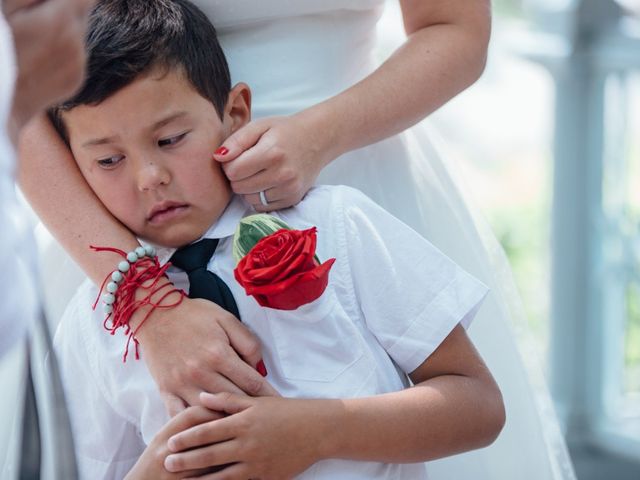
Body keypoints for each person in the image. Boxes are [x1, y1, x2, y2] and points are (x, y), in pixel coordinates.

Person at [19, 1, 576, 479]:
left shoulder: (347, 228)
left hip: (351, 159)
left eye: (168, 140)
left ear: (237, 112)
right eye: (112, 160)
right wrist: (144, 302)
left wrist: (319, 135)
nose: (148, 175)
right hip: (110, 236)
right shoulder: (94, 323)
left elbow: (454, 26)